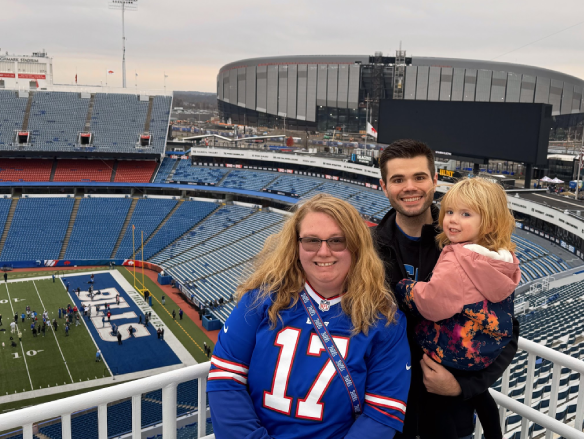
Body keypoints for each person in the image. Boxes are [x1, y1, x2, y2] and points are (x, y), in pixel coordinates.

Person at [207, 194, 411, 439]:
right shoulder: (260, 300)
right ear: (296, 244)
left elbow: (382, 412)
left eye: (337, 241)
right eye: (311, 241)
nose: (323, 252)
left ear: (357, 245)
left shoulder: (385, 321)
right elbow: (225, 379)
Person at [373, 139, 519, 439]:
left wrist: (463, 386)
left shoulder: (474, 247)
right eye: (398, 179)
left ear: (435, 180)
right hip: (380, 411)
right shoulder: (366, 248)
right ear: (384, 186)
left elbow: (506, 329)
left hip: (447, 416)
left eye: (419, 177)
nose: (409, 187)